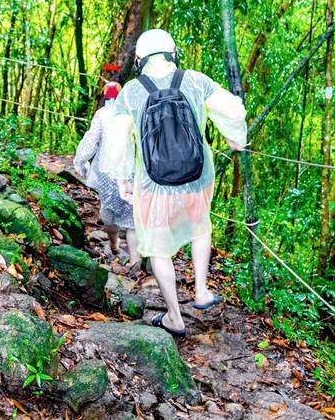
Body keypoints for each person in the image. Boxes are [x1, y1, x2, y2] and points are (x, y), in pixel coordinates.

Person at [106, 29, 247, 336]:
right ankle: (201, 291)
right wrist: (236, 140)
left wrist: (122, 178)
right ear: (173, 52)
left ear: (140, 59)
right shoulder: (195, 79)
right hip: (198, 176)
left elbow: (117, 139)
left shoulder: (131, 91)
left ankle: (174, 318)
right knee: (201, 227)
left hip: (154, 184)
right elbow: (233, 109)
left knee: (158, 249)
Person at [74, 82, 140, 268]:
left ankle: (113, 244)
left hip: (106, 170)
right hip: (128, 170)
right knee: (132, 216)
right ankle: (135, 260)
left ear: (104, 97)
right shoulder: (131, 113)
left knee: (109, 210)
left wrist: (80, 160)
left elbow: (91, 139)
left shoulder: (102, 114)